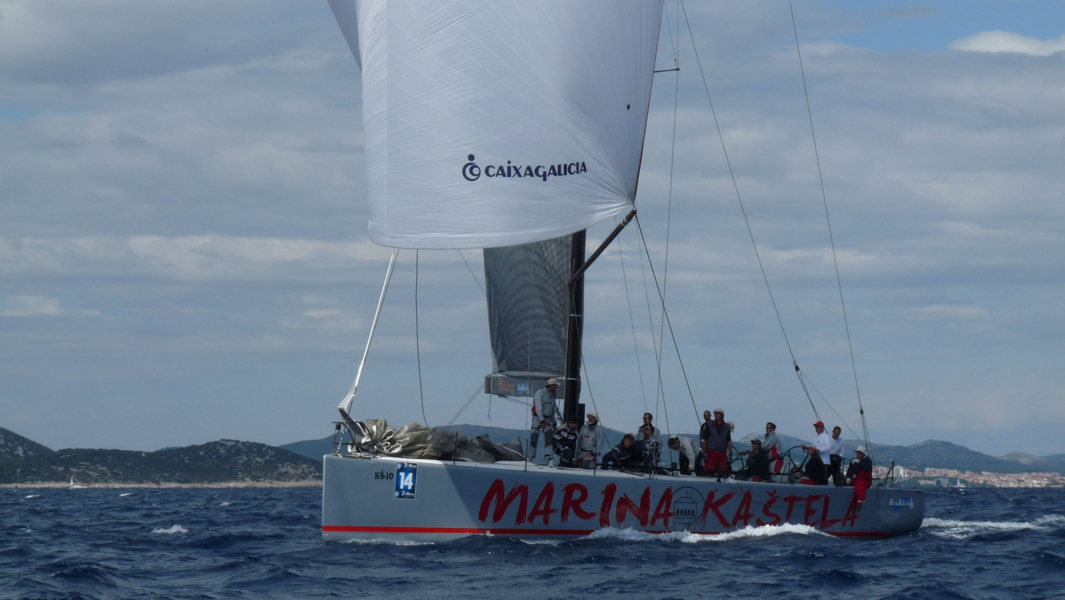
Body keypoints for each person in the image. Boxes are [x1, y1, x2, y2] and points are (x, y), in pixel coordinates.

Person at [528, 378, 559, 463]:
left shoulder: (553, 396)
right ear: (552, 385)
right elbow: (538, 408)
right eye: (556, 386)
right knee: (534, 438)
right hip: (537, 418)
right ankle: (530, 457)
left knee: (549, 438)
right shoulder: (540, 393)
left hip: (548, 418)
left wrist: (554, 423)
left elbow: (552, 410)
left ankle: (549, 458)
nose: (557, 387)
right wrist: (542, 420)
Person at [700, 408, 732, 478]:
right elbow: (704, 439)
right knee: (709, 472)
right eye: (715, 413)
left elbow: (729, 440)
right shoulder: (709, 425)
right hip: (711, 452)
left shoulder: (727, 427)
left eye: (718, 413)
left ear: (722, 415)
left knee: (723, 472)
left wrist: (730, 453)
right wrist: (705, 452)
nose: (716, 415)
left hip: (722, 452)